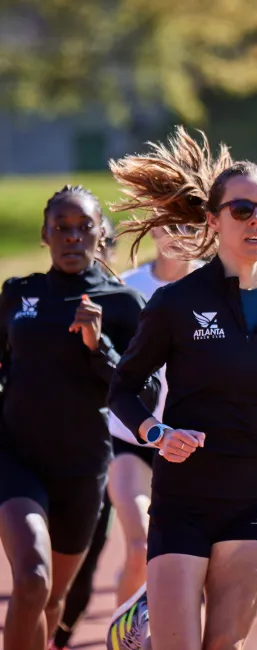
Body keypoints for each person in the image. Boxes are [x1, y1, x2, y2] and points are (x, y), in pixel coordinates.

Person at [107, 126, 257, 650]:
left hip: (253, 496)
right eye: (243, 210)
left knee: (226, 646)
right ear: (214, 220)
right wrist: (155, 432)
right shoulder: (174, 303)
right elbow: (123, 388)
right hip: (182, 497)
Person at [0, 185, 159, 650]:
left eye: (83, 228)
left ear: (100, 234)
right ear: (45, 236)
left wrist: (99, 346)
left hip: (82, 468)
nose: (72, 238)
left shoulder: (125, 305)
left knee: (53, 602)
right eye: (61, 229)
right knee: (31, 579)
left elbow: (144, 392)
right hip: (16, 459)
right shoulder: (16, 295)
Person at [107, 225, 201, 606]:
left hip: (194, 442)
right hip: (133, 438)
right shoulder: (126, 288)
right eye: (170, 224)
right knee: (139, 546)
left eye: (190, 225)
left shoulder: (220, 288)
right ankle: (123, 638)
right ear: (154, 228)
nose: (179, 234)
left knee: (195, 560)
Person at [50, 214, 119, 650]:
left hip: (125, 446)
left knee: (109, 542)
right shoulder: (47, 297)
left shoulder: (125, 299)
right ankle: (56, 623)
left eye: (105, 239)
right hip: (75, 445)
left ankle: (67, 631)